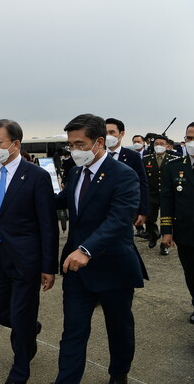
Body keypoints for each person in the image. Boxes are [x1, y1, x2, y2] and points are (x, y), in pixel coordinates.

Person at [54, 114, 148, 384]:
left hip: (113, 267)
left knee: (118, 328)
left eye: (80, 144)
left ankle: (119, 374)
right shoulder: (75, 172)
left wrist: (86, 250)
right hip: (76, 270)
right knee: (73, 330)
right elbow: (63, 200)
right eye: (71, 145)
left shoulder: (123, 175)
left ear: (98, 142)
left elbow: (118, 220)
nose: (75, 151)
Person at [0, 119, 58, 384]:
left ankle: (21, 367)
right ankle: (29, 329)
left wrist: (49, 267)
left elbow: (48, 226)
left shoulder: (36, 176)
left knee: (21, 313)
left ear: (15, 144)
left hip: (25, 260)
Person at [160, 122, 194, 325]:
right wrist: (166, 231)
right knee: (191, 272)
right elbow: (167, 200)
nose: (192, 142)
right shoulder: (174, 167)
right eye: (189, 138)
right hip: (186, 232)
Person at [105, 118, 149, 238]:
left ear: (121, 133)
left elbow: (142, 184)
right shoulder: (97, 155)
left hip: (124, 209)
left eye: (112, 132)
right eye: (105, 132)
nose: (108, 136)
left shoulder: (132, 156)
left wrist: (143, 211)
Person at [143, 135, 179, 254]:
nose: (159, 146)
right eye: (156, 144)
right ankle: (154, 235)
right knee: (150, 218)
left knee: (166, 220)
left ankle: (165, 245)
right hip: (152, 195)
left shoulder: (174, 159)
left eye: (162, 144)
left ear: (167, 146)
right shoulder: (146, 159)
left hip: (168, 195)